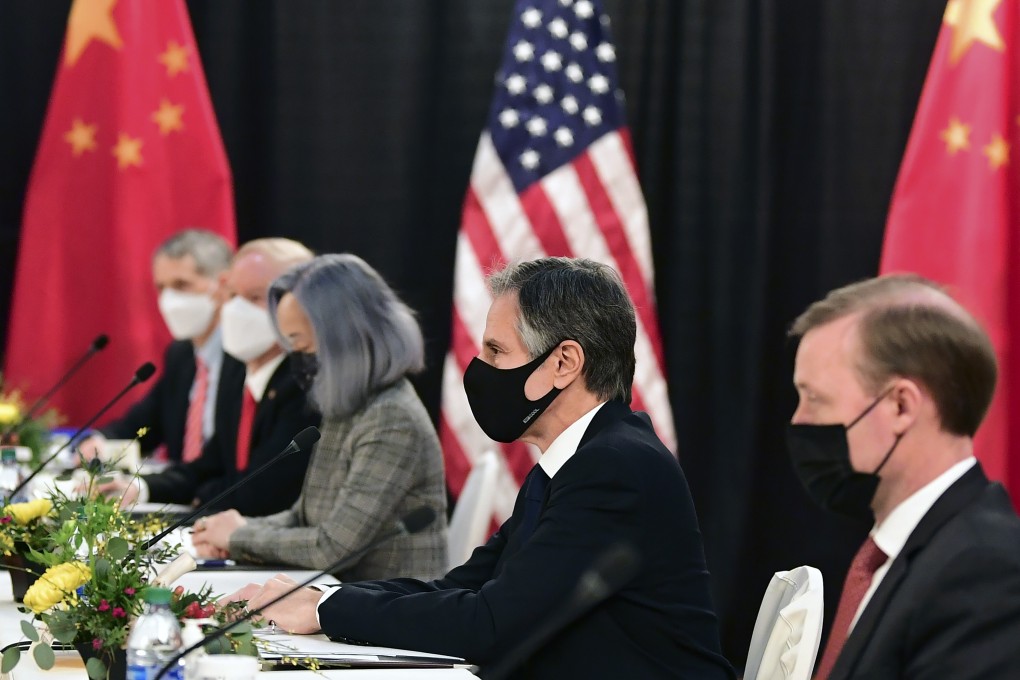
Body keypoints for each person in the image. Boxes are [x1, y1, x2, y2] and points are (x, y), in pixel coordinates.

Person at [229, 257, 733, 679]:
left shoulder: (615, 466)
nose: (481, 369)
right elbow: (463, 587)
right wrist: (324, 597)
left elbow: (491, 624)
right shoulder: (576, 459)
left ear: (564, 362)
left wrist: (326, 609)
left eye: (496, 351)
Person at [786, 274, 1020, 680]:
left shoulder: (983, 567)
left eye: (816, 399)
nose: (798, 420)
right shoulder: (902, 552)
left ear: (901, 406)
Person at [191, 254, 448, 579]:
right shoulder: (347, 404)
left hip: (390, 601)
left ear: (344, 339)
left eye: (301, 345)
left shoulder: (391, 417)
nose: (296, 360)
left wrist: (239, 537)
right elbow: (303, 516)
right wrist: (230, 532)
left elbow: (333, 548)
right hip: (337, 592)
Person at [99, 238, 320, 517]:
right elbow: (209, 466)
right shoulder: (243, 374)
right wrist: (140, 488)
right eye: (232, 295)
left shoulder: (305, 384)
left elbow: (263, 494)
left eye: (254, 297)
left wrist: (197, 500)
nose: (236, 309)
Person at [79, 229, 242, 463]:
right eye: (162, 287)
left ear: (223, 285)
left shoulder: (245, 355)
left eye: (181, 285)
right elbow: (141, 426)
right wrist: (99, 441)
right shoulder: (181, 354)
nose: (169, 300)